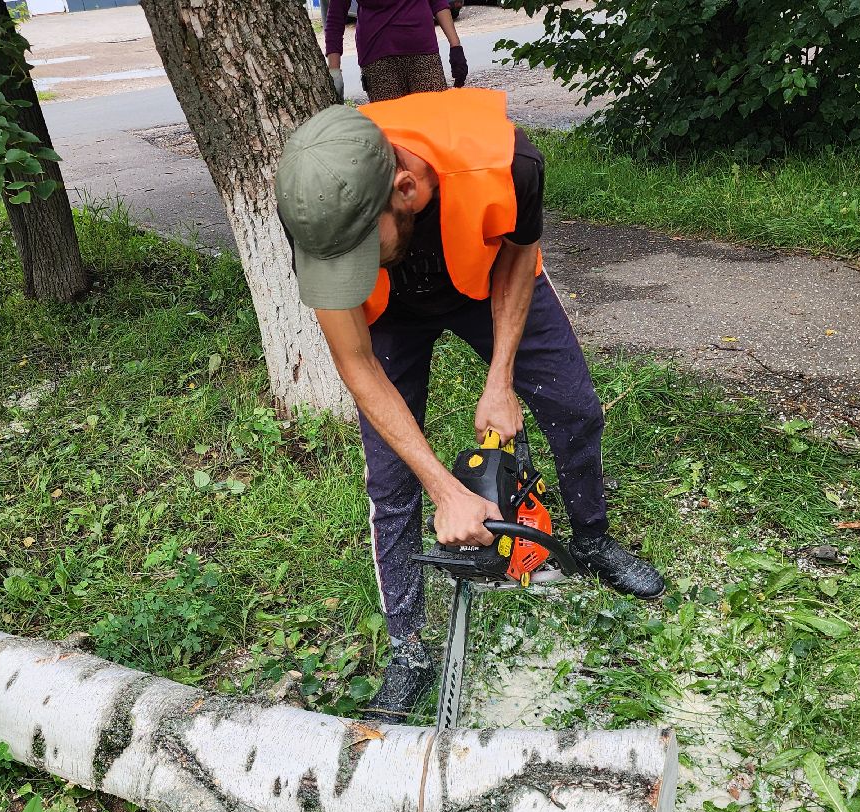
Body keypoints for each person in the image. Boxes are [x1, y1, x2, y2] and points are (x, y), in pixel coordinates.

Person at [275, 88, 665, 722]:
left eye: (359, 250)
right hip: (390, 315)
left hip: (484, 277)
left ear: (404, 189)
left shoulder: (508, 165)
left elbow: (518, 261)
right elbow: (356, 363)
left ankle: (592, 542)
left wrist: (500, 378)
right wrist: (445, 489)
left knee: (574, 408)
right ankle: (407, 648)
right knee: (391, 476)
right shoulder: (319, 204)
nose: (350, 261)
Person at [324, 0, 467, 103]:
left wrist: (456, 46)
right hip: (378, 61)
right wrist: (334, 70)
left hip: (423, 55)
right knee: (394, 133)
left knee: (433, 123)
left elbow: (438, 3)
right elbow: (335, 17)